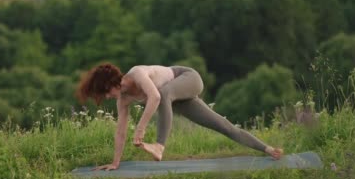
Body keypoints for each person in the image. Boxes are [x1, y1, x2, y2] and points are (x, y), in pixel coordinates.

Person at [77, 63, 284, 171]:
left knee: (164, 93)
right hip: (177, 98)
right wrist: (115, 162)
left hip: (188, 78)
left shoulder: (138, 74)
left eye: (106, 91)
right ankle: (269, 149)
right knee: (223, 125)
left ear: (115, 82)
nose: (107, 96)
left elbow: (156, 96)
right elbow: (120, 131)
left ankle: (160, 146)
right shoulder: (122, 99)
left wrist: (140, 129)